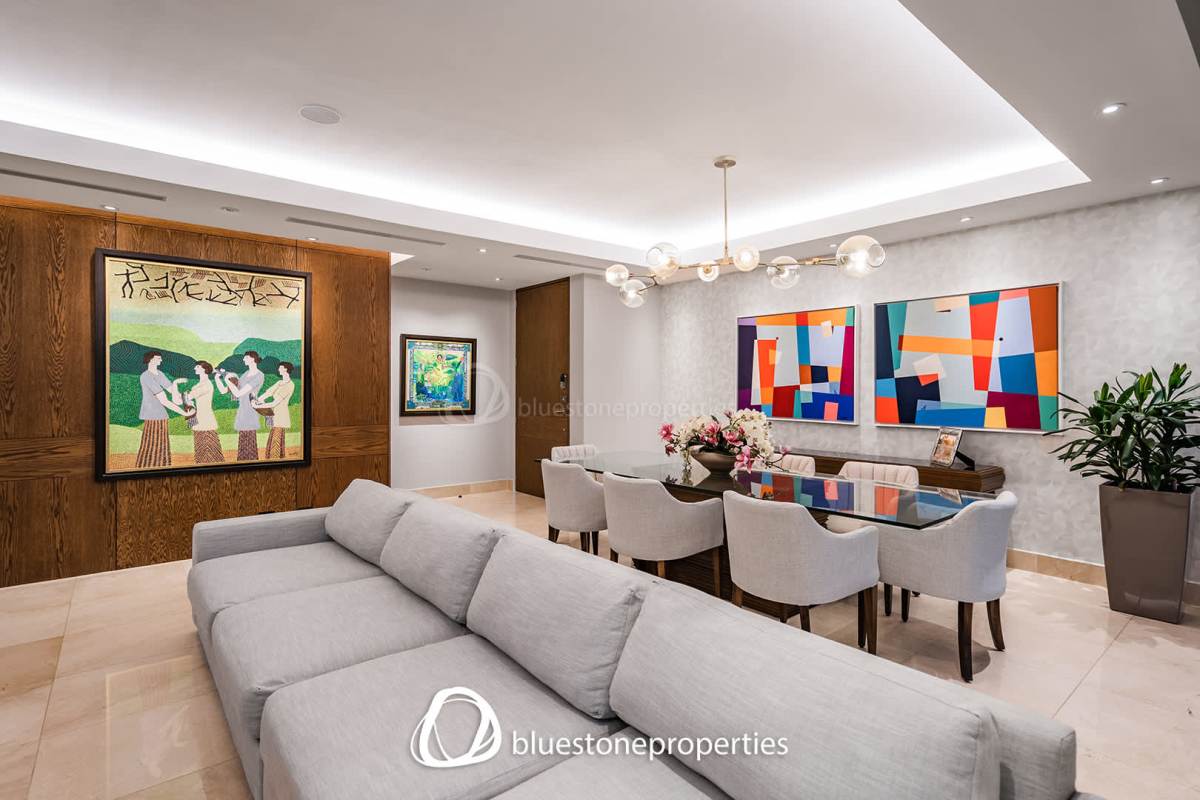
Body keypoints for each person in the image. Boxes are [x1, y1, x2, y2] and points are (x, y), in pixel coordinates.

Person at [134, 351, 190, 468]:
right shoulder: (146, 376)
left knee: (162, 442)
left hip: (162, 414)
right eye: (158, 358)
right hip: (151, 413)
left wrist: (175, 384)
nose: (161, 360)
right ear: (150, 359)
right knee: (152, 441)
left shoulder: (160, 374)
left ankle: (162, 466)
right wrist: (183, 412)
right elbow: (164, 400)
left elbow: (174, 395)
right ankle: (147, 466)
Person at [215, 351, 264, 461]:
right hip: (242, 409)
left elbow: (238, 393)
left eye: (245, 357)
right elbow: (224, 391)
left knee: (249, 440)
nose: (243, 360)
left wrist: (227, 379)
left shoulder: (259, 375)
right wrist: (218, 378)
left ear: (252, 358)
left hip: (250, 410)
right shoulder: (245, 374)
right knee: (243, 440)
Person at [254, 361, 295, 459]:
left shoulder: (290, 385)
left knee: (276, 440)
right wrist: (258, 400)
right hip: (274, 413)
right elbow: (268, 393)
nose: (278, 370)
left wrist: (258, 406)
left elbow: (275, 402)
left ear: (285, 369)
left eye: (280, 368)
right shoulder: (279, 382)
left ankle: (275, 458)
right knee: (273, 438)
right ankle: (273, 458)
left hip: (281, 414)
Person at [185, 361, 223, 464]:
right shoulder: (200, 383)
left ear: (204, 369)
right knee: (200, 445)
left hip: (205, 418)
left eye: (197, 366)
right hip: (198, 417)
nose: (195, 368)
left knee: (208, 445)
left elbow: (189, 396)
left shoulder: (206, 384)